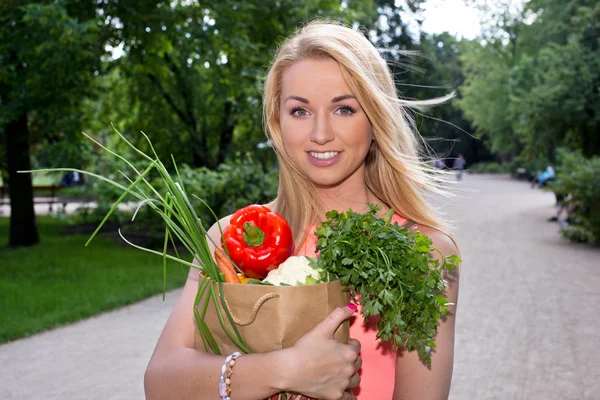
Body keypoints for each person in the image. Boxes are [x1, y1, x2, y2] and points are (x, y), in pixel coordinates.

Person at [144, 20, 460, 400]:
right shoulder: (233, 237)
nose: (320, 133)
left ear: (375, 121)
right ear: (277, 123)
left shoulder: (424, 252)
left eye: (344, 109)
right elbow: (160, 382)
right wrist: (287, 370)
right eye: (300, 111)